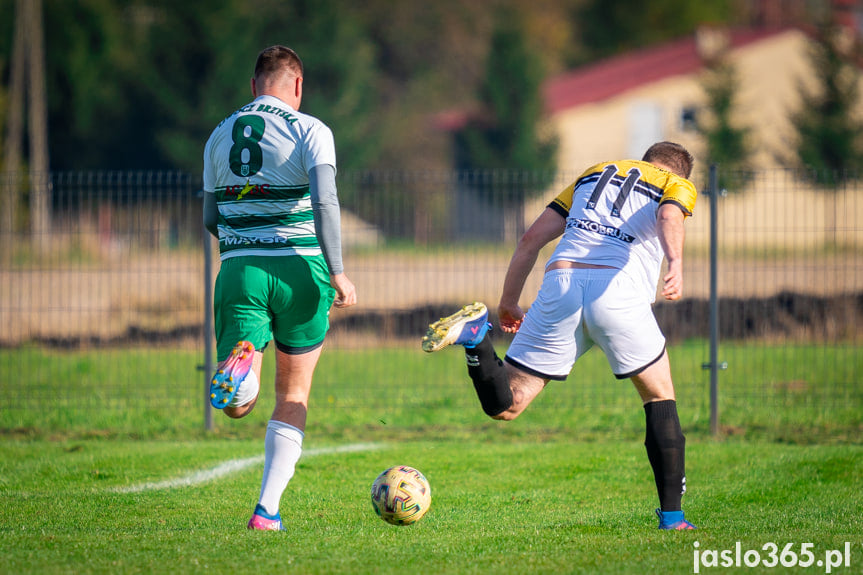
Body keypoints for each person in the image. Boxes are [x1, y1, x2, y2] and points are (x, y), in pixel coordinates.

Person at [423, 141, 698, 530]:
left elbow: (530, 239)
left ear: (642, 159)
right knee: (658, 396)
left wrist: (507, 301)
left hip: (561, 283)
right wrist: (676, 262)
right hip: (616, 292)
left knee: (507, 404)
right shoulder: (675, 184)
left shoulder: (595, 172)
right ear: (680, 172)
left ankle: (476, 339)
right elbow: (670, 216)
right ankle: (672, 518)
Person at [202, 45, 357, 531]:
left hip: (240, 268)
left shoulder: (217, 137)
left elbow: (211, 217)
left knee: (237, 406)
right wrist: (337, 270)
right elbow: (326, 201)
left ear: (253, 86)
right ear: (298, 87)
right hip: (301, 270)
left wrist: (246, 243)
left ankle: (242, 362)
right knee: (294, 393)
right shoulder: (311, 129)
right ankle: (266, 512)